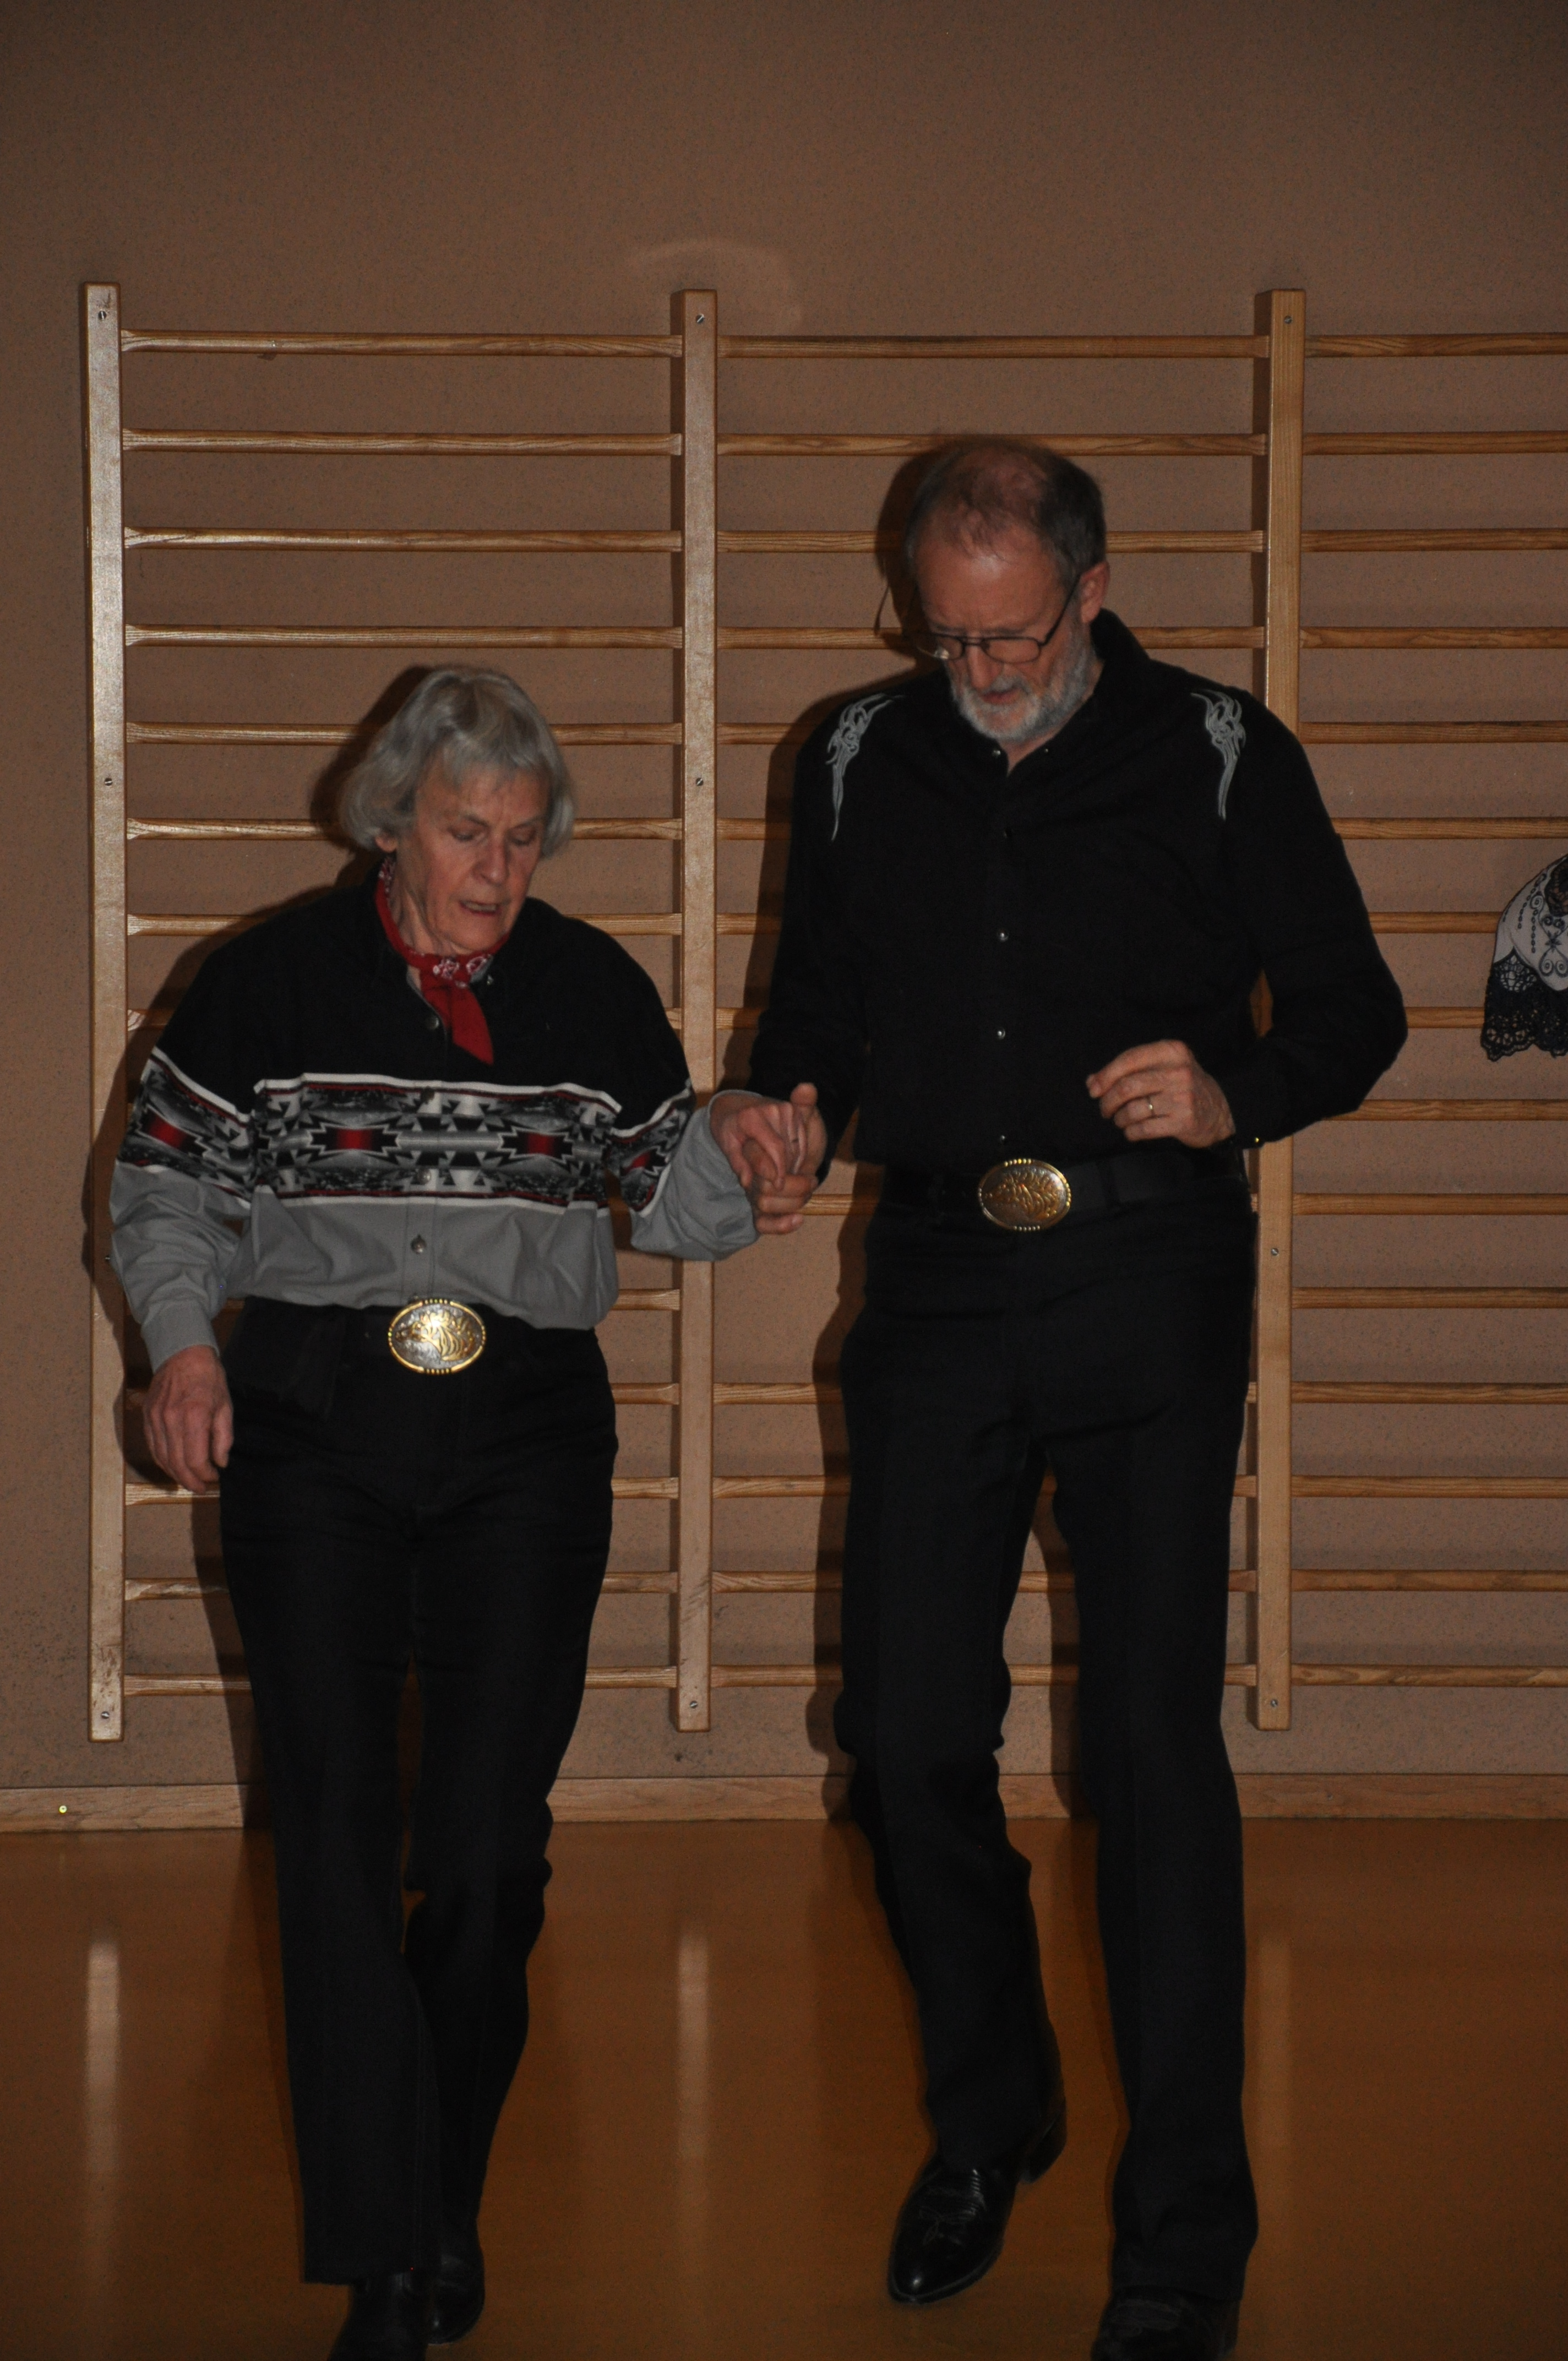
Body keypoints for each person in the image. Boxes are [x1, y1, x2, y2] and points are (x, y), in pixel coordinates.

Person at [722, 441, 1407, 2361]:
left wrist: (1236, 1091)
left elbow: (1355, 1008)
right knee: (901, 1736)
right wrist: (785, 1107)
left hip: (1146, 1274)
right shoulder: (858, 754)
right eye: (943, 637)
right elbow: (817, 1011)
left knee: (1152, 1756)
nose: (977, 674)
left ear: (1093, 592)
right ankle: (996, 2104)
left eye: (1011, 638)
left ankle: (1184, 2238)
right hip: (940, 1279)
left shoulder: (1220, 751)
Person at [112, 667, 813, 2361]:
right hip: (315, 1423)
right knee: (338, 1830)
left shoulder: (590, 988)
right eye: (461, 831)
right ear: (392, 824)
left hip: (524, 1436)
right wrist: (185, 1351)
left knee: (490, 1853)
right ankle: (389, 2251)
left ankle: (442, 2192)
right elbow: (161, 1184)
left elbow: (670, 1199)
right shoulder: (268, 979)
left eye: (519, 836)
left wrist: (745, 1145)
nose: (494, 867)